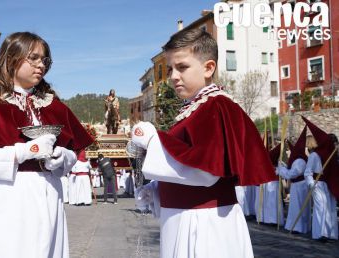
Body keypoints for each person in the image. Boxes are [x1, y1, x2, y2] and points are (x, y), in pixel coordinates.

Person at [0, 32, 93, 258]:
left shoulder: (54, 106)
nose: (41, 65)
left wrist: (61, 157)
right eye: (33, 58)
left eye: (44, 60)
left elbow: (73, 153)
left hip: (50, 197)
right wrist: (26, 151)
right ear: (12, 59)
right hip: (8, 201)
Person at [131, 28, 275, 258]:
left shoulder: (215, 107)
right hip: (184, 219)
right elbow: (187, 161)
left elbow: (206, 171)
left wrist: (153, 139)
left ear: (209, 68)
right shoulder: (196, 109)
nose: (173, 76)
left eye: (182, 67)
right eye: (170, 69)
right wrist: (157, 189)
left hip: (204, 224)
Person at [302, 116, 338, 240]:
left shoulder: (331, 156)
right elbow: (307, 172)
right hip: (317, 185)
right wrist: (312, 184)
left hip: (327, 185)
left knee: (329, 208)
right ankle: (319, 234)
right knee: (320, 208)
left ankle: (329, 233)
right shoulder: (314, 155)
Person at [277, 126, 310, 233]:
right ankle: (296, 225)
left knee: (298, 207)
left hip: (300, 186)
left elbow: (292, 174)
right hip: (298, 186)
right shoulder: (298, 159)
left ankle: (298, 227)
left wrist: (281, 170)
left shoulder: (300, 161)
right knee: (296, 207)